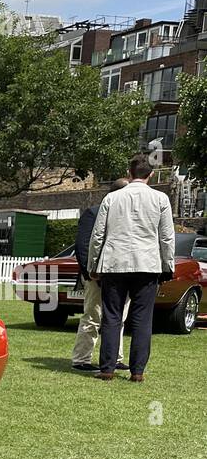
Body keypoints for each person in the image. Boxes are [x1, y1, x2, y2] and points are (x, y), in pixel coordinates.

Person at [88, 153, 175, 383]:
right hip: (147, 264)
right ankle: (137, 371)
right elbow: (166, 238)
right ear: (152, 174)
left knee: (112, 316)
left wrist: (93, 264)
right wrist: (168, 266)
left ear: (129, 173)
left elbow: (97, 235)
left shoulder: (111, 199)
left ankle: (107, 368)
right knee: (142, 319)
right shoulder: (161, 199)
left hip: (114, 263)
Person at [71, 179, 129, 372]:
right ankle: (81, 359)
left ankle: (116, 357)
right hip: (96, 276)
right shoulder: (93, 213)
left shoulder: (126, 215)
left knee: (119, 318)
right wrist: (90, 273)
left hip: (120, 274)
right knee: (92, 316)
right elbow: (83, 245)